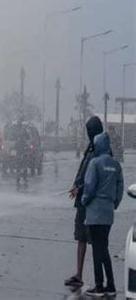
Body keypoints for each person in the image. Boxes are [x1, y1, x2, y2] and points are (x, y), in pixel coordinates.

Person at [82, 132, 124, 297]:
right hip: (108, 212)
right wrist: (114, 203)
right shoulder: (115, 165)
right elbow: (120, 188)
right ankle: (111, 284)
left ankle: (99, 286)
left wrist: (85, 201)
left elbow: (89, 186)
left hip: (95, 212)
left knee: (97, 250)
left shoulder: (95, 163)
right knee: (104, 247)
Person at [65, 116, 103, 287]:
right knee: (81, 237)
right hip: (82, 201)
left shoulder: (100, 150)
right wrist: (76, 185)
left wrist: (80, 187)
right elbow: (84, 170)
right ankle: (78, 274)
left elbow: (93, 176)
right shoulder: (91, 147)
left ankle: (99, 281)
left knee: (94, 241)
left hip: (92, 203)